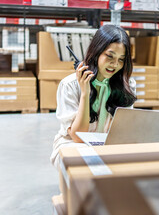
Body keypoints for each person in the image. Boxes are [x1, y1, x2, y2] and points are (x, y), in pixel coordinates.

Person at [50, 25, 137, 168]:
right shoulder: (70, 85)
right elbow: (77, 137)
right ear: (96, 52)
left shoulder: (127, 85)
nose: (115, 64)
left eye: (121, 59)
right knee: (89, 161)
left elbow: (123, 132)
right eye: (110, 56)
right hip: (73, 145)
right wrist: (85, 93)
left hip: (108, 145)